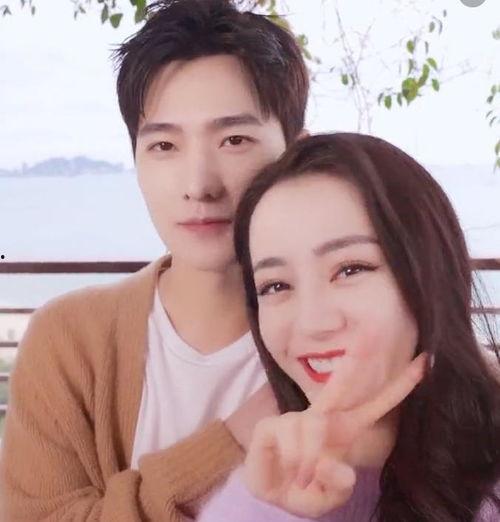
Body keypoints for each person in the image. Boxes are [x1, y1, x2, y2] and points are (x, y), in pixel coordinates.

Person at [0, 1, 309, 520]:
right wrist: (232, 439)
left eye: (234, 140)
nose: (198, 186)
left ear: (296, 155)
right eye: (164, 145)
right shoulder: (69, 339)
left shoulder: (340, 336)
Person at [198, 133, 500, 521]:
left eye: (350, 269)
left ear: (431, 273)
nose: (312, 323)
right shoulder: (257, 499)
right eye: (276, 286)